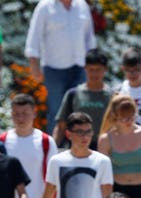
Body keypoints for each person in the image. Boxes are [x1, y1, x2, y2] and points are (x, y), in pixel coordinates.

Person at [26, 0, 97, 132]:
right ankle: (55, 148)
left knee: (80, 110)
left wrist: (92, 63)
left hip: (80, 67)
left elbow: (89, 37)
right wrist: (34, 65)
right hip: (54, 68)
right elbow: (34, 36)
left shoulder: (82, 6)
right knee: (56, 111)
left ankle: (77, 147)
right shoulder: (44, 7)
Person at [54, 49, 112, 150]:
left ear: (105, 69)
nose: (94, 74)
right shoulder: (73, 94)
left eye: (98, 70)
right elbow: (61, 126)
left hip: (104, 149)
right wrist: (52, 148)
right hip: (76, 148)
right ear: (85, 68)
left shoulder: (113, 96)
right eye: (91, 70)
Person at [2, 95, 55, 198]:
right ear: (11, 114)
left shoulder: (46, 142)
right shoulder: (2, 141)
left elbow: (53, 178)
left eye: (25, 113)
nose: (21, 118)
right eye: (16, 114)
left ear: (34, 113)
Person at [117, 48, 141, 118]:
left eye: (136, 70)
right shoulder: (119, 90)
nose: (132, 74)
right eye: (128, 70)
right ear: (122, 69)